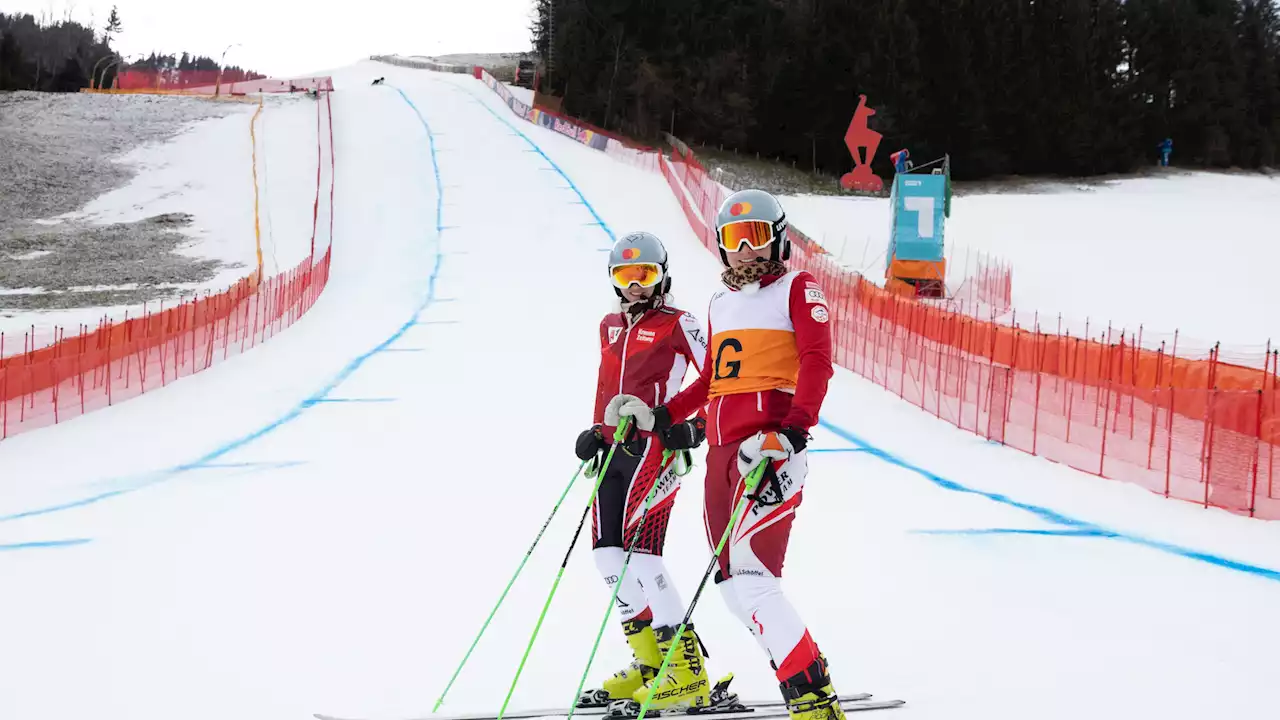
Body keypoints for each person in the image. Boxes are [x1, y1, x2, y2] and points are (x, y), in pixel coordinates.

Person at [610, 189, 844, 720]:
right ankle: (802, 672)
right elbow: (716, 377)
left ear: (778, 238)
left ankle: (813, 701)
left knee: (755, 578)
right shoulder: (720, 302)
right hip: (720, 451)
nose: (746, 250)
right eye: (735, 240)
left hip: (766, 447)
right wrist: (665, 415)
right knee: (733, 585)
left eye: (757, 236)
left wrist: (793, 431)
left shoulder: (796, 288)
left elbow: (817, 361)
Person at [574, 231, 711, 708]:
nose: (636, 285)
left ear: (662, 275)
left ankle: (686, 673)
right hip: (614, 451)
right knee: (607, 558)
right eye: (625, 276)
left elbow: (723, 375)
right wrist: (595, 430)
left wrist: (694, 428)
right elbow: (604, 382)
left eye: (645, 274)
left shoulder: (679, 322)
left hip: (655, 449)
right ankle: (652, 663)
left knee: (643, 557)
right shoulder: (609, 325)